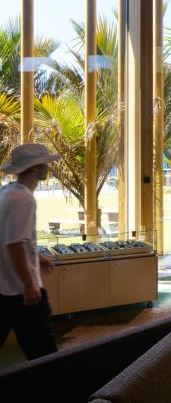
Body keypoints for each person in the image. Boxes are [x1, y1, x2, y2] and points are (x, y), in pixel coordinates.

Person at [0, 143, 61, 359]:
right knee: (44, 355)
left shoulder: (6, 192)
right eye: (45, 164)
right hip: (22, 294)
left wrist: (37, 257)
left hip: (4, 290)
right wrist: (28, 285)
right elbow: (14, 245)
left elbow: (10, 238)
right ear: (35, 168)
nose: (48, 168)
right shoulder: (24, 199)